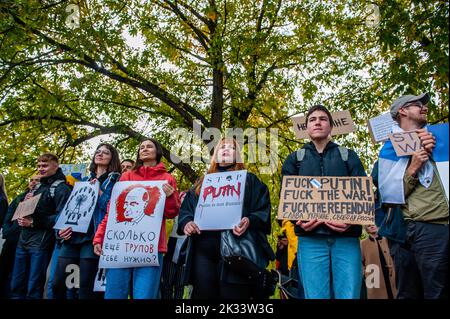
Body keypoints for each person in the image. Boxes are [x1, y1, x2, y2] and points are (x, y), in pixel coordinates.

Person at [281, 104, 366, 299]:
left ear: (331, 126)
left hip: (346, 240)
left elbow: (362, 194)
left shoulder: (348, 156)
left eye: (323, 119)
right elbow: (287, 198)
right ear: (306, 128)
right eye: (312, 119)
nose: (317, 122)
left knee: (349, 295)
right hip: (310, 241)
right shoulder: (295, 159)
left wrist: (351, 221)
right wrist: (298, 221)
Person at [177, 137, 274, 299]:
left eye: (231, 148)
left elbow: (262, 209)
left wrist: (249, 220)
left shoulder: (250, 180)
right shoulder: (202, 183)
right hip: (203, 250)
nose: (226, 150)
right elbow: (186, 210)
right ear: (215, 155)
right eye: (222, 147)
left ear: (237, 155)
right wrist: (187, 222)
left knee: (233, 298)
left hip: (237, 250)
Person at [376, 93, 448, 299]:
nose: (424, 107)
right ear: (403, 111)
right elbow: (388, 195)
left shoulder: (441, 137)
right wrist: (414, 166)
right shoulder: (389, 149)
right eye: (418, 105)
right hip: (425, 225)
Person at [93, 138, 180, 299]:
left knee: (144, 295)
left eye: (149, 146)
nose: (144, 149)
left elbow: (171, 213)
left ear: (157, 152)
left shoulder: (167, 179)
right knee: (114, 294)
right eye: (142, 147)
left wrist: (170, 197)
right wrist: (99, 237)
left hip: (151, 247)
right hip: (120, 245)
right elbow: (112, 211)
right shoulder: (127, 176)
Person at [52, 144, 121, 299]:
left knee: (85, 286)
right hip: (72, 237)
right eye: (98, 152)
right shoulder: (82, 180)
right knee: (58, 284)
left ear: (112, 158)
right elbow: (67, 209)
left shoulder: (116, 181)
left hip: (92, 238)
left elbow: (112, 208)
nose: (100, 154)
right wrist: (60, 230)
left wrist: (98, 190)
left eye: (106, 153)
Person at [10, 153, 72, 299]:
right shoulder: (37, 186)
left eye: (45, 165)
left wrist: (34, 222)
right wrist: (25, 205)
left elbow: (61, 218)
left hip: (41, 244)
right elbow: (28, 212)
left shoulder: (62, 188)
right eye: (38, 166)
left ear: (56, 166)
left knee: (34, 287)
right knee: (16, 285)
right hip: (23, 241)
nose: (40, 169)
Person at [0, 175, 40, 298]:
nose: (33, 182)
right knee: (3, 270)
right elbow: (7, 218)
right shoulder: (19, 198)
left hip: (30, 243)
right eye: (31, 180)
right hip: (11, 240)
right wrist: (8, 232)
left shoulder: (43, 198)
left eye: (37, 180)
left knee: (20, 275)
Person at [361, 224, 396, 299]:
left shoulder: (387, 239)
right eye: (369, 226)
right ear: (367, 230)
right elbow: (360, 262)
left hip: (390, 273)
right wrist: (364, 273)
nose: (372, 227)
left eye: (374, 225)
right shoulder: (363, 243)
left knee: (394, 293)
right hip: (373, 276)